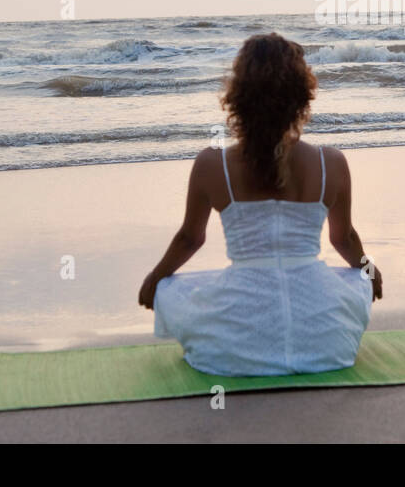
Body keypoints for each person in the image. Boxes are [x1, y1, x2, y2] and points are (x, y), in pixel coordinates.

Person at [137, 32, 383, 376]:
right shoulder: (332, 163)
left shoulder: (212, 164)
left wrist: (154, 278)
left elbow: (189, 239)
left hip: (234, 349)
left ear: (238, 96)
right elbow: (343, 239)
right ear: (302, 94)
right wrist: (371, 271)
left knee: (172, 288)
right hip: (326, 345)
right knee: (356, 278)